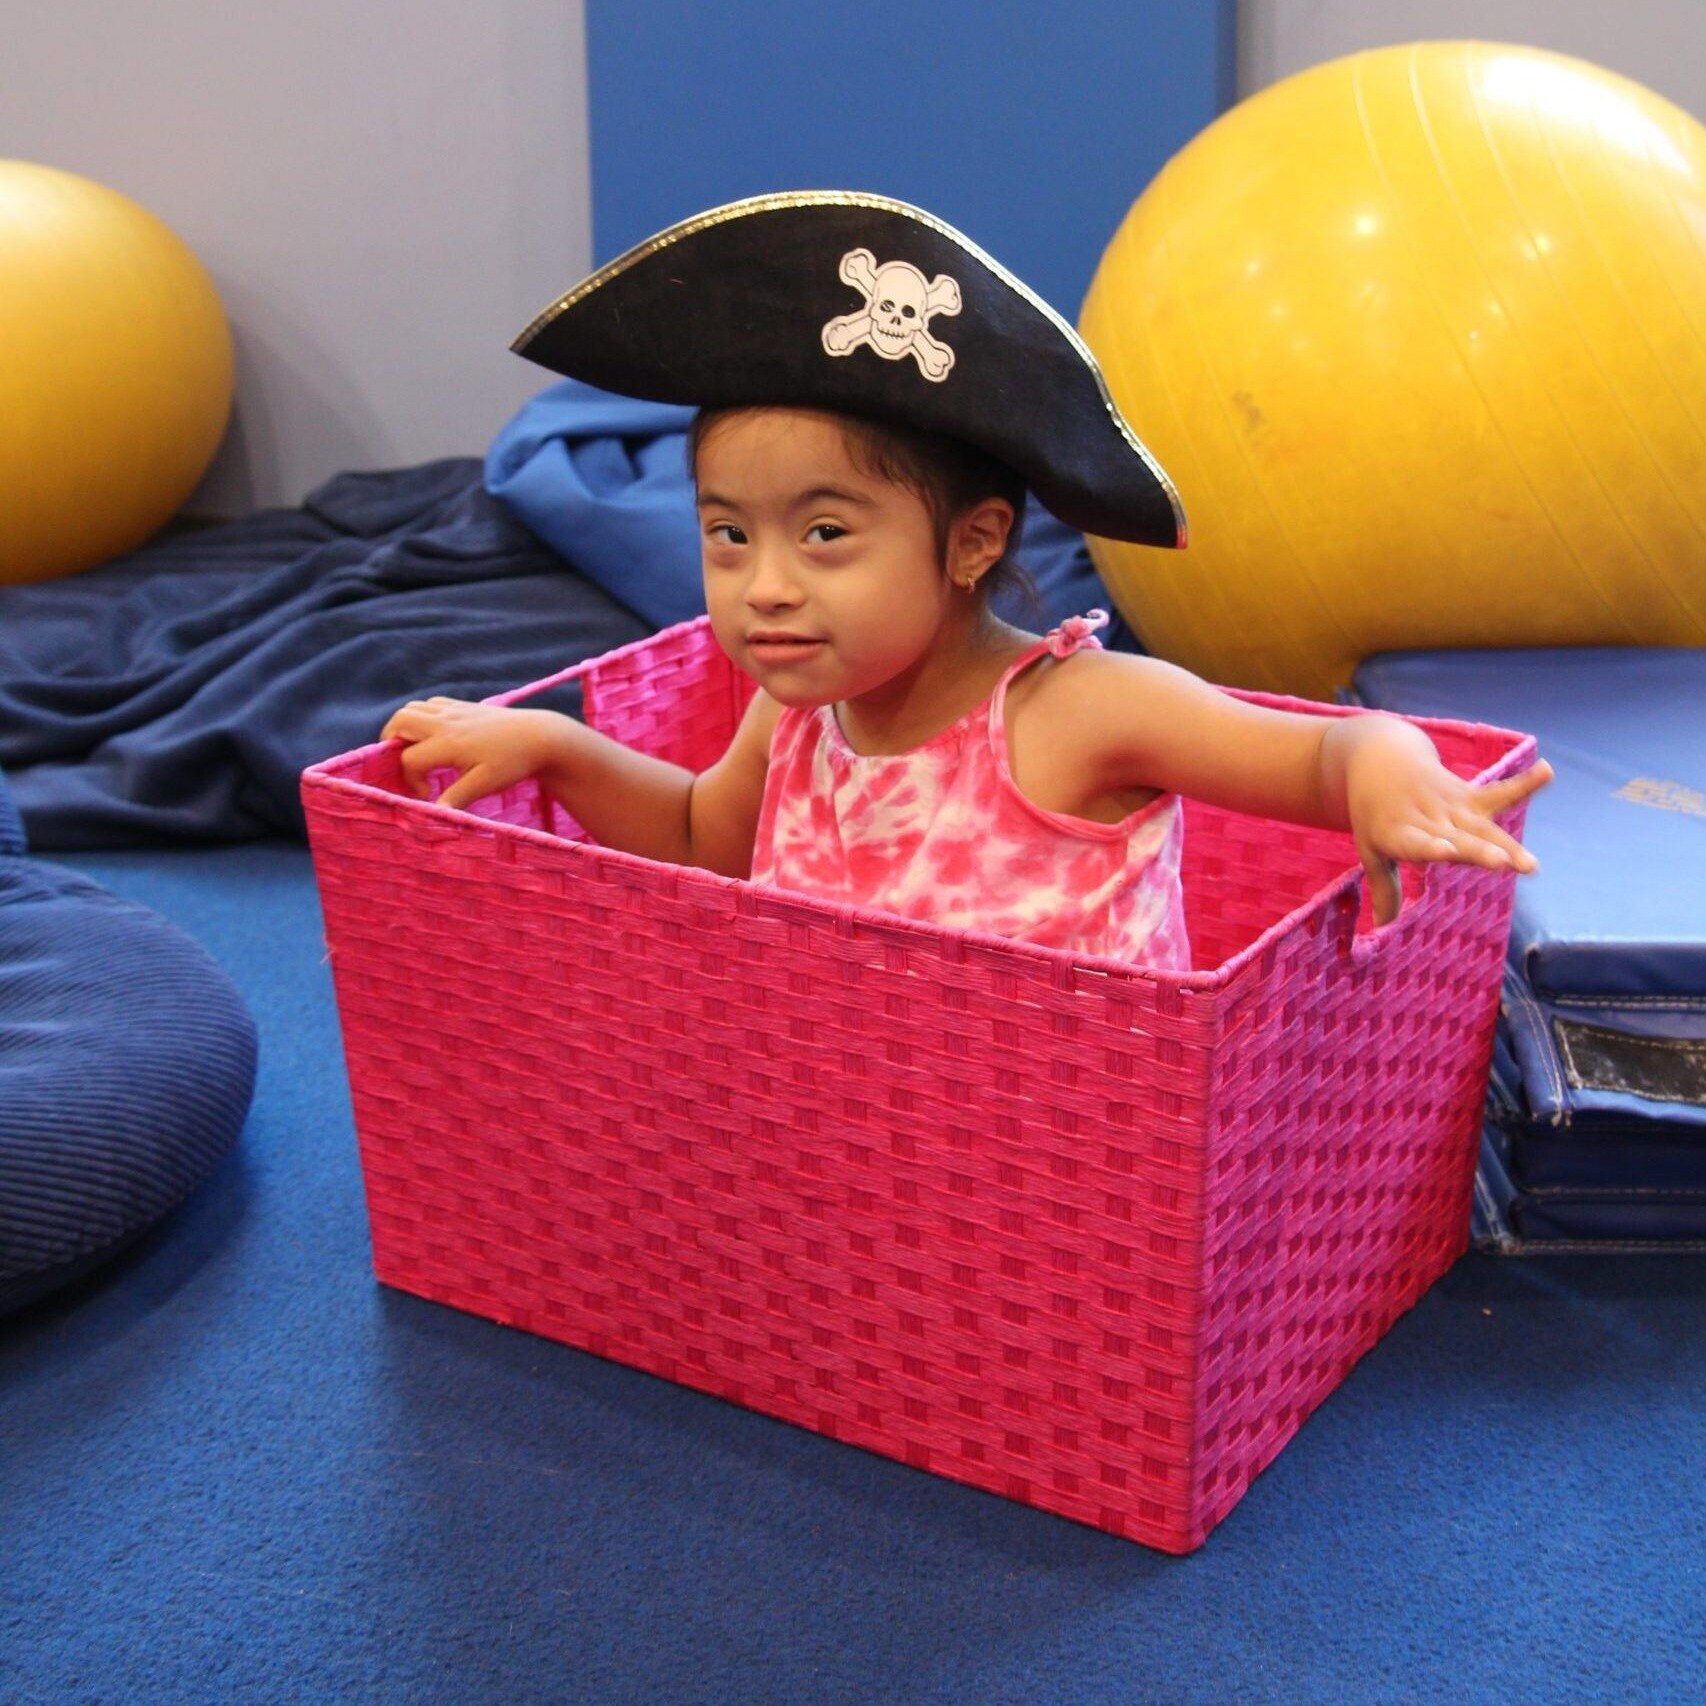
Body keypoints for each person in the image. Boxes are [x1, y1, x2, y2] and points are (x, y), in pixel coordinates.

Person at [381, 193, 1551, 967]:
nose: (763, 587)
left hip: (1046, 1150)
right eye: (728, 535)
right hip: (856, 1126)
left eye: (825, 533)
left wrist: (1394, 773)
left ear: (973, 542)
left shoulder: (1076, 711)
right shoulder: (797, 713)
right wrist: (554, 747)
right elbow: (703, 836)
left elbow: (1318, 751)